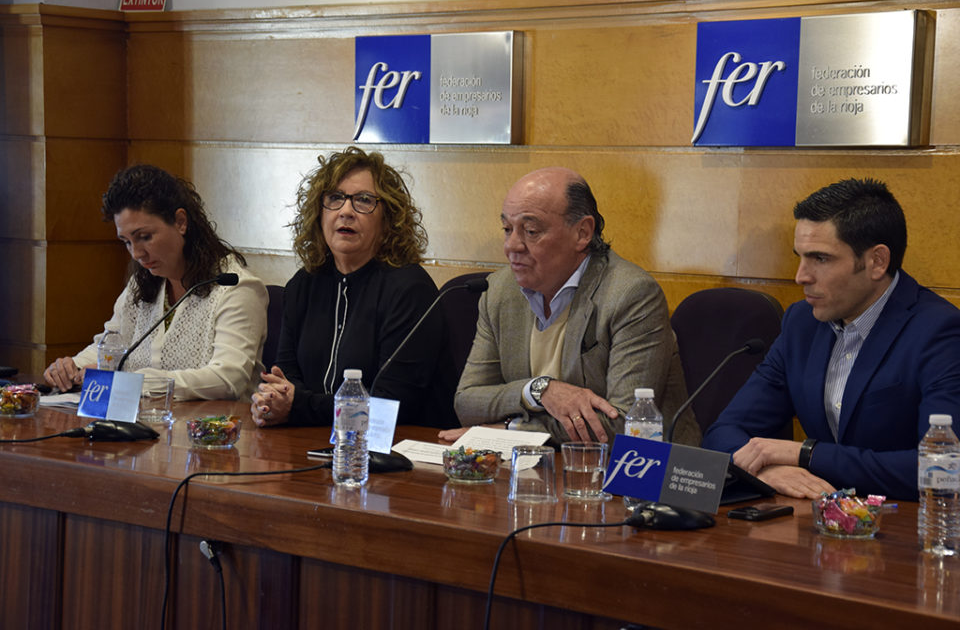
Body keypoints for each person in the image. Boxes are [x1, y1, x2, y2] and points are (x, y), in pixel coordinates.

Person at [702, 178, 960, 501]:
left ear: (877, 262)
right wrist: (764, 470)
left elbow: (941, 469)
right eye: (800, 257)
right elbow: (722, 434)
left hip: (905, 523)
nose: (801, 276)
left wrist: (808, 454)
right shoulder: (802, 323)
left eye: (820, 259)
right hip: (822, 519)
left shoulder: (940, 331)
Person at [449, 167, 700, 446]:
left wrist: (513, 428)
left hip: (640, 467)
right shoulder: (499, 291)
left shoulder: (631, 294)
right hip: (536, 465)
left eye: (531, 231)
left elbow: (625, 424)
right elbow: (467, 402)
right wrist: (539, 391)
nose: (512, 246)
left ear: (582, 233)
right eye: (507, 229)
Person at [251, 146, 455, 428]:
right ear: (318, 212)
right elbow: (285, 378)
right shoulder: (303, 284)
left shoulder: (410, 290)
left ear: (388, 219)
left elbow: (390, 405)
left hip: (393, 445)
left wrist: (297, 406)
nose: (346, 211)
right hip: (311, 438)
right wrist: (274, 402)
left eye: (364, 200)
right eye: (335, 198)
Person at [43, 164, 268, 400]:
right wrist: (73, 368)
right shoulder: (143, 283)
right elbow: (112, 344)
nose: (136, 254)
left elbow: (227, 379)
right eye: (126, 242)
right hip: (145, 419)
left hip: (213, 423)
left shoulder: (236, 288)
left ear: (180, 222)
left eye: (145, 237)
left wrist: (135, 381)